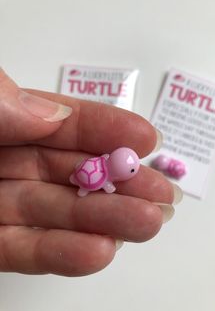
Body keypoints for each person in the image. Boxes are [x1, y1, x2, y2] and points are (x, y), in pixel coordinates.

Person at [0, 68, 182, 277]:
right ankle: (82, 189)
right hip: (88, 179)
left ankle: (81, 187)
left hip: (87, 171)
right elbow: (106, 182)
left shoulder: (104, 159)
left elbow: (101, 164)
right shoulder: (108, 178)